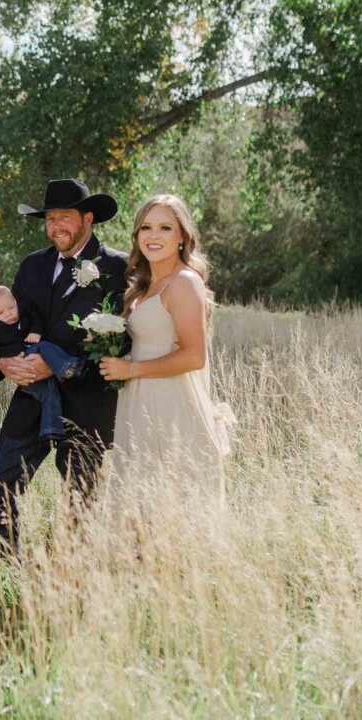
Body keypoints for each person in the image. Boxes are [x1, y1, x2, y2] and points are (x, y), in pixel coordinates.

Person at [0, 178, 127, 552]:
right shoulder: (33, 266)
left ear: (88, 218)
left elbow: (124, 341)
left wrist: (60, 363)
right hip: (32, 398)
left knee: (80, 501)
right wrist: (5, 361)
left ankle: (73, 588)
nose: (56, 226)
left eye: (65, 217)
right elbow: (8, 326)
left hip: (87, 403)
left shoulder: (117, 267)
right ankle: (3, 571)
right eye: (50, 219)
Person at [99, 194, 232, 514]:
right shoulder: (143, 286)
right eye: (146, 227)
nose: (154, 236)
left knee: (171, 503)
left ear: (182, 236)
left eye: (165, 228)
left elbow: (193, 357)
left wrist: (129, 370)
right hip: (140, 402)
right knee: (138, 501)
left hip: (172, 404)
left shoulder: (184, 282)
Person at [0, 285, 83, 441]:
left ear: (15, 301)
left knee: (50, 393)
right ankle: (67, 366)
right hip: (20, 369)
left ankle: (51, 428)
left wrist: (36, 331)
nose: (8, 314)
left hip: (32, 359)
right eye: (0, 313)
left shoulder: (25, 314)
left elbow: (37, 318)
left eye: (11, 307)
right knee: (44, 349)